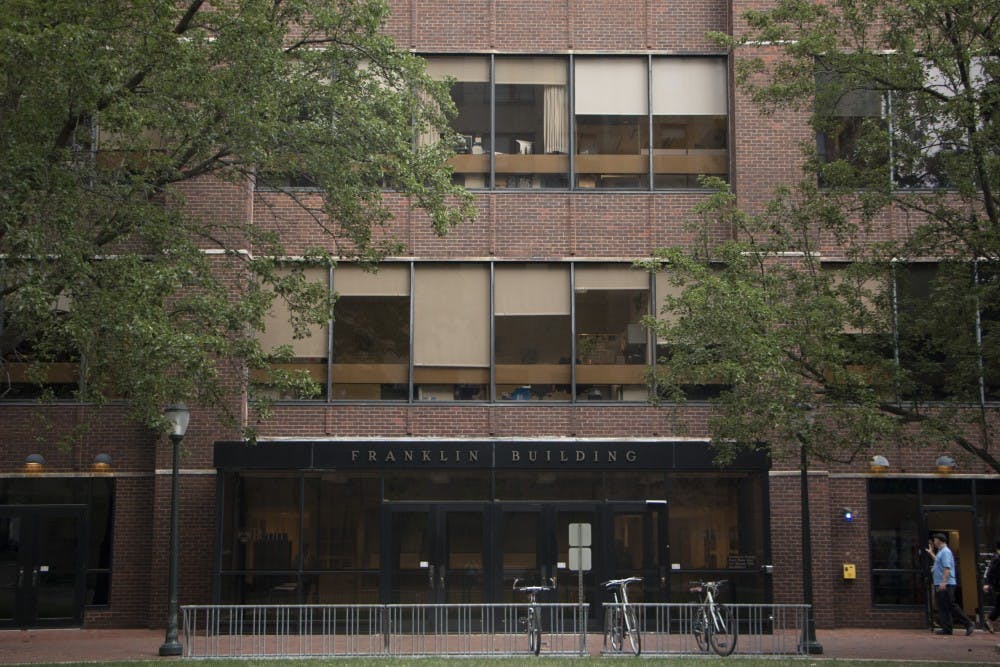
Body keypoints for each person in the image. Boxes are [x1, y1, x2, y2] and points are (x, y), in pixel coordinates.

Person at [930, 532, 975, 635]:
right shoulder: (941, 552)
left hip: (946, 584)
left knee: (950, 605)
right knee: (943, 606)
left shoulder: (945, 551)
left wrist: (943, 582)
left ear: (939, 540)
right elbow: (938, 562)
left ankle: (968, 623)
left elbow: (947, 568)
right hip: (940, 583)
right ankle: (947, 628)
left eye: (935, 539)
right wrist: (931, 553)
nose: (934, 541)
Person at [983, 540, 1000, 633]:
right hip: (998, 585)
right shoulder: (997, 558)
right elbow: (990, 571)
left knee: (999, 605)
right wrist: (987, 583)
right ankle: (990, 619)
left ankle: (990, 619)